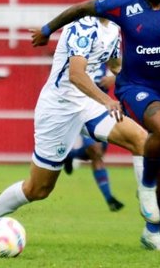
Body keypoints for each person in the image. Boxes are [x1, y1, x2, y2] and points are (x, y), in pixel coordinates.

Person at [0, 0, 160, 249]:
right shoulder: (81, 26)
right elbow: (77, 75)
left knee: (141, 140)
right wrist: (107, 99)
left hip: (88, 104)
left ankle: (151, 221)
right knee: (39, 189)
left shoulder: (116, 29)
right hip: (58, 109)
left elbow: (117, 66)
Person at [31, 0, 160, 251]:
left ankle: (155, 226)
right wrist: (47, 31)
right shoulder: (124, 4)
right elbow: (79, 10)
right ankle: (145, 192)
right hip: (131, 90)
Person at [63, 62, 125, 212]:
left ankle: (70, 155)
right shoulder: (78, 52)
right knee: (95, 150)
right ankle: (110, 198)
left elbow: (125, 72)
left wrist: (114, 79)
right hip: (79, 108)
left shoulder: (107, 50)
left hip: (100, 109)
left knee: (96, 155)